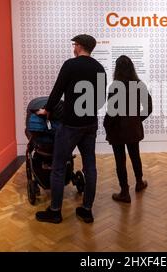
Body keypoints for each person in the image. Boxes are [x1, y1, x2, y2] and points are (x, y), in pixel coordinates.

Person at [35, 34, 106, 224]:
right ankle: (87, 209)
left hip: (71, 125)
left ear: (80, 46)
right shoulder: (99, 68)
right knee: (90, 167)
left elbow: (57, 90)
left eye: (74, 45)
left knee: (58, 167)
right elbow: (101, 99)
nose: (73, 48)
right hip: (90, 124)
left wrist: (47, 109)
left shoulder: (70, 65)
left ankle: (55, 211)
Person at [103, 55, 152, 203]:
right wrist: (137, 119)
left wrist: (107, 126)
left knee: (120, 160)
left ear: (117, 69)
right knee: (135, 155)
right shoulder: (139, 84)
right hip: (132, 129)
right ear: (132, 67)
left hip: (117, 130)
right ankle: (139, 182)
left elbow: (111, 112)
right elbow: (149, 108)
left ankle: (124, 192)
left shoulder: (115, 87)